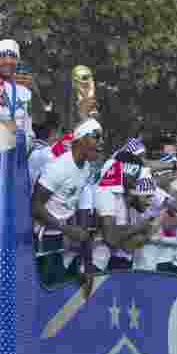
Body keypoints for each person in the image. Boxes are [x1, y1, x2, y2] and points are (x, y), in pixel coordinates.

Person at [32, 119, 103, 285]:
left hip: (60, 238)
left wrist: (88, 264)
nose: (101, 143)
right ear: (80, 139)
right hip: (39, 240)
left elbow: (81, 212)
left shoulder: (85, 168)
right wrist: (66, 229)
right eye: (96, 137)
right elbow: (35, 206)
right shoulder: (58, 167)